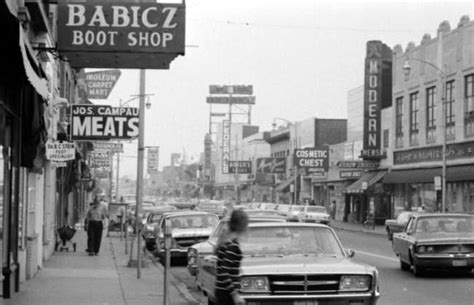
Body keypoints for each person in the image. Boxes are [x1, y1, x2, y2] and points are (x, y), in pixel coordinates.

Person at [214, 209, 249, 305]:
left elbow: (220, 268)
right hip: (227, 294)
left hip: (221, 291)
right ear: (242, 225)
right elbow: (224, 272)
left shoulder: (225, 241)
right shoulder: (233, 245)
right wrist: (235, 294)